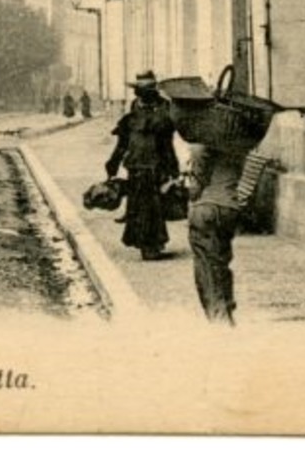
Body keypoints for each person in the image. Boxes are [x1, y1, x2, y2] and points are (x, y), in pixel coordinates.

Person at [103, 70, 180, 261]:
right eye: (139, 89)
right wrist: (113, 162)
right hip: (136, 165)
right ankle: (145, 243)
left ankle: (153, 243)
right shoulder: (134, 108)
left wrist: (173, 168)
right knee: (138, 205)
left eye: (145, 89)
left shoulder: (165, 107)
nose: (140, 93)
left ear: (153, 90)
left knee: (154, 205)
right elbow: (124, 139)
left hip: (157, 164)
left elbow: (167, 141)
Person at [184, 141, 244, 325]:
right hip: (230, 208)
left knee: (205, 265)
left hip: (206, 208)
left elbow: (196, 187)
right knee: (222, 261)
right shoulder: (238, 144)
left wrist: (191, 182)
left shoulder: (204, 141)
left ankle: (218, 318)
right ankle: (227, 310)